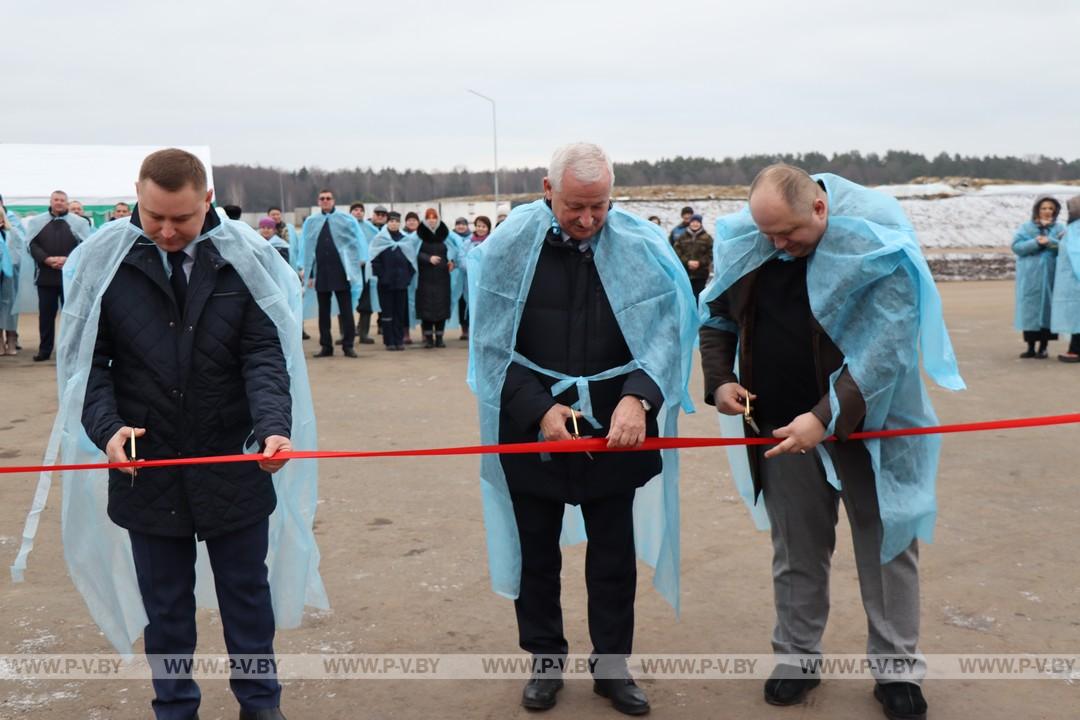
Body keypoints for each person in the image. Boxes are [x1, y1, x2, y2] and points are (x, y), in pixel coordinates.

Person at [25, 147, 327, 720]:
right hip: (149, 466)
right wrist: (108, 430)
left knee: (247, 600)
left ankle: (261, 705)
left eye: (180, 219)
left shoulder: (245, 259)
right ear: (137, 197)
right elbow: (88, 366)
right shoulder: (104, 262)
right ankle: (174, 708)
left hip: (231, 458)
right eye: (153, 215)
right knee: (165, 609)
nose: (166, 230)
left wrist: (272, 428)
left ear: (207, 201)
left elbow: (264, 355)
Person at [699, 164, 964, 720]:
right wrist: (721, 378)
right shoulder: (751, 239)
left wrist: (824, 416)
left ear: (819, 209)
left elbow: (885, 345)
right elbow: (717, 314)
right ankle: (796, 659)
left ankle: (896, 672)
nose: (777, 245)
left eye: (788, 234)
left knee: (887, 547)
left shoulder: (878, 235)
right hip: (779, 428)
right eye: (767, 234)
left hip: (869, 427)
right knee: (795, 550)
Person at [466, 143, 698, 716]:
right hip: (533, 428)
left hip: (613, 429)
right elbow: (492, 345)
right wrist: (538, 409)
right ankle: (545, 662)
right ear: (548, 191)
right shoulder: (508, 250)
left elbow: (666, 333)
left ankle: (611, 667)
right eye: (575, 206)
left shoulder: (641, 248)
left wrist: (639, 399)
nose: (588, 220)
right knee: (537, 554)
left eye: (599, 206)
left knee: (613, 557)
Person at [26, 190, 92, 361]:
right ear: (51, 201)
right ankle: (44, 350)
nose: (59, 202)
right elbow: (31, 244)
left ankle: (72, 350)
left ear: (67, 202)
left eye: (62, 200)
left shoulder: (79, 223)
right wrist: (46, 259)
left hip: (70, 277)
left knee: (72, 315)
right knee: (46, 316)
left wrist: (68, 260)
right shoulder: (37, 222)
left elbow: (86, 245)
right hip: (46, 276)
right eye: (56, 199)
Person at [301, 189, 366, 358]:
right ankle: (326, 346)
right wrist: (310, 273)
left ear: (334, 200)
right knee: (324, 313)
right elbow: (307, 248)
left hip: (342, 273)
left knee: (346, 311)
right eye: (322, 198)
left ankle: (348, 345)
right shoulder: (311, 222)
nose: (325, 201)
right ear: (318, 201)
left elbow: (357, 242)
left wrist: (357, 261)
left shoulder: (347, 219)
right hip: (322, 273)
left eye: (328, 198)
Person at [1012, 196, 1065, 358]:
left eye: (1050, 208)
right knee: (1030, 310)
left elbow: (1065, 248)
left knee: (1047, 309)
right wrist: (1035, 243)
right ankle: (1030, 346)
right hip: (1030, 275)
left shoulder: (1060, 228)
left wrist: (1050, 242)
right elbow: (1016, 247)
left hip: (1050, 274)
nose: (1047, 211)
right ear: (1037, 210)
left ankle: (1044, 346)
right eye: (1044, 208)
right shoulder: (1026, 228)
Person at [370, 211, 418, 351]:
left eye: (396, 221)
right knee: (387, 313)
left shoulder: (405, 240)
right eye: (391, 221)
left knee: (399, 313)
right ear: (387, 222)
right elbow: (375, 260)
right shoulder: (380, 240)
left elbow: (411, 262)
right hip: (386, 284)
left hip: (401, 283)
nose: (394, 223)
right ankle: (389, 341)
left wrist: (407, 278)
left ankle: (399, 340)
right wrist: (383, 276)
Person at [415, 208, 454, 348]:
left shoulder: (445, 235)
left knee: (441, 307)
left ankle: (439, 337)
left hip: (442, 278)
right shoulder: (419, 236)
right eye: (429, 217)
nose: (432, 220)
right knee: (426, 308)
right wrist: (428, 258)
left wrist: (452, 262)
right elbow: (413, 253)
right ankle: (428, 338)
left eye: (434, 217)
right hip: (425, 278)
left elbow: (454, 250)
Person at [1051, 195, 1080, 363]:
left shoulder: (1076, 229)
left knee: (1076, 317)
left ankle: (1075, 351)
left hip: (1075, 282)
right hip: (1073, 280)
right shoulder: (1072, 230)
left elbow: (1076, 254)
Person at [349, 201, 380, 344]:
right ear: (351, 212)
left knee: (366, 302)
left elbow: (377, 247)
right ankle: (346, 334)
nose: (358, 212)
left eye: (360, 210)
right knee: (345, 302)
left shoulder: (371, 229)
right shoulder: (344, 227)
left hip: (366, 270)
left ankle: (363, 333)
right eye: (355, 210)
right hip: (348, 269)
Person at [0, 200, 27, 355]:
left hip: (10, 272)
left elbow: (21, 245)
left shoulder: (13, 225)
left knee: (9, 305)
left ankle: (11, 337)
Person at [672, 213, 713, 297]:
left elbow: (711, 254)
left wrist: (700, 263)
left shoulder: (707, 238)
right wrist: (687, 262)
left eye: (697, 222)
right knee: (687, 296)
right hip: (685, 273)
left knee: (699, 295)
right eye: (693, 222)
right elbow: (677, 253)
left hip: (701, 273)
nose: (695, 224)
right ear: (690, 223)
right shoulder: (682, 237)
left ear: (700, 223)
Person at [448, 217, 471, 339]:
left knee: (468, 302)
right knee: (459, 302)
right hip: (455, 275)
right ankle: (464, 329)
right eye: (458, 224)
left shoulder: (472, 239)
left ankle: (469, 328)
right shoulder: (450, 238)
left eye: (463, 224)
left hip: (469, 276)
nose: (460, 227)